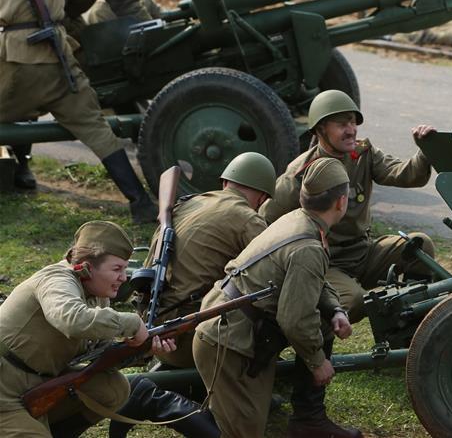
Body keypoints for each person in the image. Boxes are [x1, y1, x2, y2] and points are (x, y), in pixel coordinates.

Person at [0, 0, 157, 223]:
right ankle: (140, 202)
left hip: (15, 56)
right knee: (96, 129)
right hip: (59, 57)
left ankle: (21, 168)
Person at [193, 158, 360, 438]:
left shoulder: (296, 220)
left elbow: (311, 282)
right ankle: (156, 402)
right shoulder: (308, 244)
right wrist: (317, 362)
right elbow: (294, 320)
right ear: (341, 202)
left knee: (250, 423)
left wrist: (335, 310)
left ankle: (305, 419)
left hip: (228, 330)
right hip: (228, 343)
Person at [260, 89, 436, 322]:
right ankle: (316, 337)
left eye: (353, 123)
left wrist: (424, 151)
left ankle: (413, 324)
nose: (351, 130)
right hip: (328, 263)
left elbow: (404, 174)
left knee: (421, 247)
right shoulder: (301, 172)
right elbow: (265, 219)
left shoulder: (364, 154)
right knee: (354, 302)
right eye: (342, 125)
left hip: (364, 252)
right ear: (321, 129)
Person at [0, 221, 176, 437]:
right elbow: (72, 320)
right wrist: (131, 323)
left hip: (39, 380)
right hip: (4, 386)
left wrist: (144, 349)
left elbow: (101, 354)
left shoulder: (98, 296)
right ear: (87, 267)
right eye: (117, 269)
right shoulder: (56, 280)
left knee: (112, 388)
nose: (124, 277)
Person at [137, 151, 274, 369]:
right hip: (189, 343)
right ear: (263, 198)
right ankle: (248, 381)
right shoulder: (248, 219)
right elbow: (275, 269)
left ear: (225, 182)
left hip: (154, 332)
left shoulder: (188, 203)